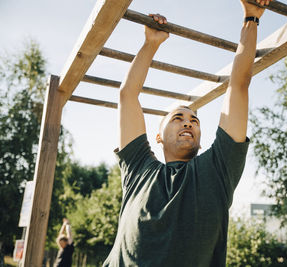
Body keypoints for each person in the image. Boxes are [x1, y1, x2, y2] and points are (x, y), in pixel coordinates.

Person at [103, 0, 270, 266]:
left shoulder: (217, 170)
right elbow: (127, 96)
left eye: (194, 120)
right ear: (157, 136)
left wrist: (251, 18)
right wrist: (151, 44)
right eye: (177, 118)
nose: (188, 123)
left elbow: (238, 85)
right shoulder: (138, 169)